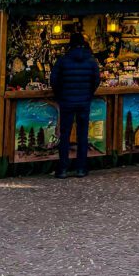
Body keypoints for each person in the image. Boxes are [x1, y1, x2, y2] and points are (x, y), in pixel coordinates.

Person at [50, 32, 100, 179]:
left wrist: (60, 95)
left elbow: (54, 80)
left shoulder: (63, 61)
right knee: (82, 135)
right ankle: (81, 168)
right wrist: (88, 94)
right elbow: (96, 80)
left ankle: (63, 168)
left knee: (64, 135)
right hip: (84, 101)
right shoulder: (91, 61)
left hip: (67, 102)